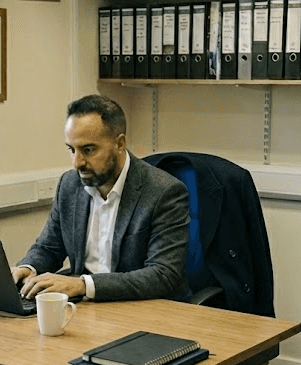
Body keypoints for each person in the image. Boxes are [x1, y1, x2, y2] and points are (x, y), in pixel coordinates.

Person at [11, 94, 190, 302]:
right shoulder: (69, 185)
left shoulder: (164, 192)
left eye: (88, 150)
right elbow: (49, 247)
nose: (77, 163)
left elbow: (162, 275)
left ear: (120, 143)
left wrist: (82, 285)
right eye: (72, 150)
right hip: (84, 308)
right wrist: (28, 266)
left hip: (143, 308)